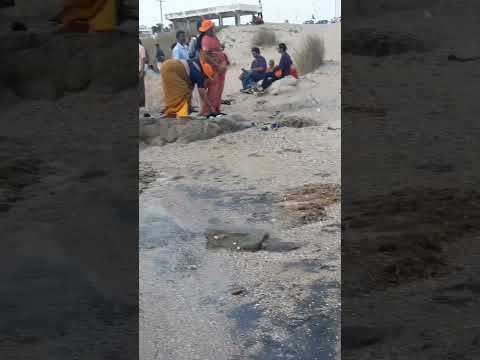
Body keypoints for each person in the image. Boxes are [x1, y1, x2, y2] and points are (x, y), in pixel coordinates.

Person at [197, 20, 229, 116]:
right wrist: (217, 65)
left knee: (219, 89)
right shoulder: (205, 39)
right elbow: (206, 55)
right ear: (207, 30)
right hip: (213, 69)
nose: (213, 29)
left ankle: (216, 109)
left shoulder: (214, 37)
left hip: (220, 69)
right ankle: (209, 111)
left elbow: (217, 50)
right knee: (213, 90)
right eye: (211, 28)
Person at [139, 39, 147, 108]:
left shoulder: (141, 48)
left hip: (139, 71)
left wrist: (142, 71)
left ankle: (141, 104)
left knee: (141, 88)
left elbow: (143, 59)